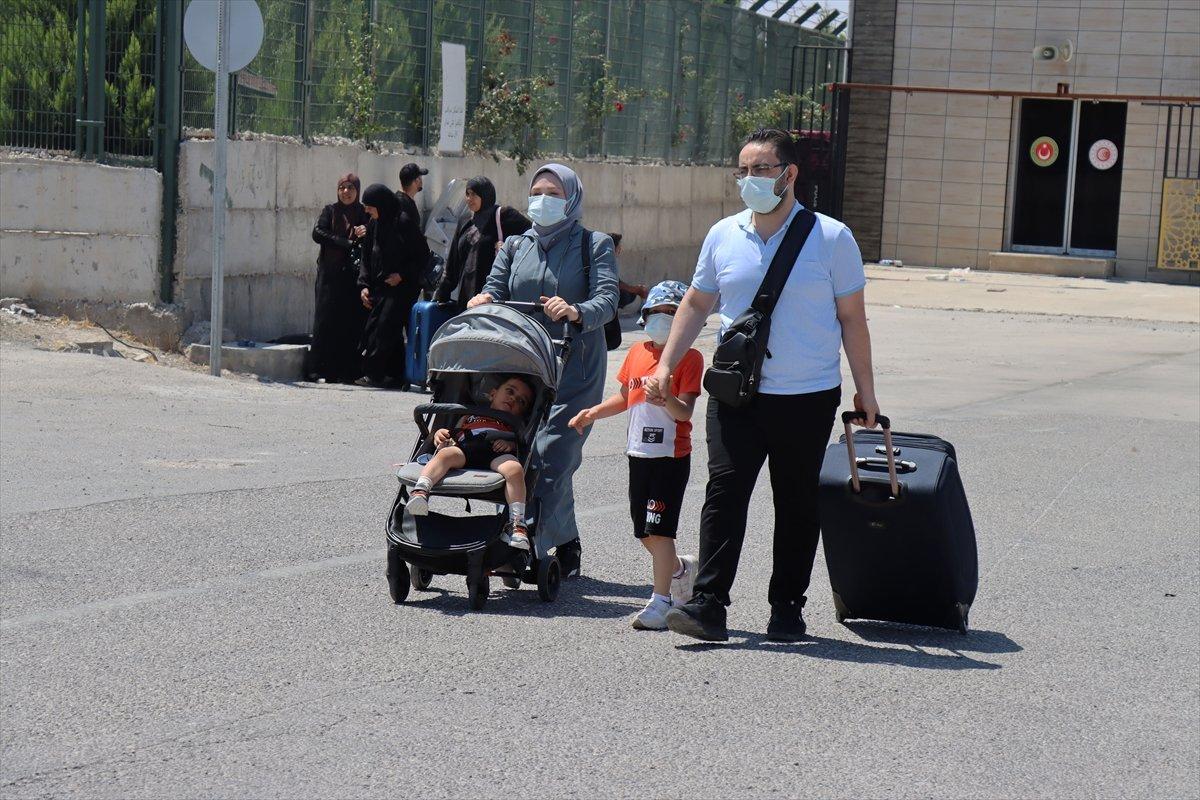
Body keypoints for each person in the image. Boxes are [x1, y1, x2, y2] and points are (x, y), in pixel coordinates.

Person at [647, 128, 881, 643]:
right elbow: (695, 303)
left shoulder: (832, 238)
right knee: (724, 494)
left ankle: (787, 608)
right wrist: (666, 364)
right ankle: (708, 605)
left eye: (760, 169)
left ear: (789, 175)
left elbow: (853, 320)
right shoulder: (723, 234)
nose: (748, 179)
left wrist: (866, 391)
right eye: (742, 170)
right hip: (736, 394)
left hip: (807, 395)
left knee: (796, 503)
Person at [466, 163, 618, 576]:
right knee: (526, 452)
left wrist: (575, 310)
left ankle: (530, 543)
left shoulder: (594, 244)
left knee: (555, 453)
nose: (544, 200)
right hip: (525, 367)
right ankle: (564, 541)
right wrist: (483, 299)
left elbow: (607, 298)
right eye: (537, 192)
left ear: (571, 199)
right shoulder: (516, 245)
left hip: (576, 368)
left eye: (554, 193)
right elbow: (496, 287)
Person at [569, 280, 702, 630]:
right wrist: (592, 412)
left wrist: (667, 398)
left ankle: (661, 602)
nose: (663, 319)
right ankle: (679, 571)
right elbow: (625, 397)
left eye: (672, 313)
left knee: (660, 530)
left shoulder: (690, 358)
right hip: (637, 454)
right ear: (644, 317)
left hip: (669, 458)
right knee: (643, 531)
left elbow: (685, 412)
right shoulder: (636, 353)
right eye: (656, 312)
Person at [407, 374, 535, 550]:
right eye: (510, 391)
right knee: (445, 455)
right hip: (465, 448)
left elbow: (521, 443)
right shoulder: (470, 414)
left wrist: (510, 443)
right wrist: (440, 435)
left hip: (495, 452)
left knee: (514, 469)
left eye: (521, 401)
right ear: (492, 393)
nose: (513, 399)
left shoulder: (514, 424)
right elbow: (453, 432)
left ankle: (517, 523)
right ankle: (421, 491)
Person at [357, 183, 420, 387]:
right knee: (377, 327)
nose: (367, 210)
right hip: (380, 286)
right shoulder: (375, 224)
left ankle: (375, 374)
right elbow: (366, 256)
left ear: (381, 205)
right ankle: (395, 375)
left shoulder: (403, 222)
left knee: (385, 327)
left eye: (370, 206)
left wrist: (401, 275)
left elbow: (422, 256)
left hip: (402, 288)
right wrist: (364, 284)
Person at [308, 173, 369, 383]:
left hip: (352, 277)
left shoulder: (363, 213)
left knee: (348, 323)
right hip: (329, 275)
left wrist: (366, 230)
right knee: (324, 321)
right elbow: (318, 233)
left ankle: (344, 371)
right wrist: (344, 242)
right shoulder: (330, 211)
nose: (346, 192)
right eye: (342, 188)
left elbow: (374, 232)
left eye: (351, 188)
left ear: (357, 191)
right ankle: (316, 369)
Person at [435, 176, 532, 307]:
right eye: (467, 194)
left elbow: (532, 238)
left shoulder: (503, 216)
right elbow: (453, 263)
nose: (469, 199)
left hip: (492, 298)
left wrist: (509, 248)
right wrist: (442, 294)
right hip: (467, 299)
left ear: (485, 195)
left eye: (474, 194)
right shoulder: (465, 221)